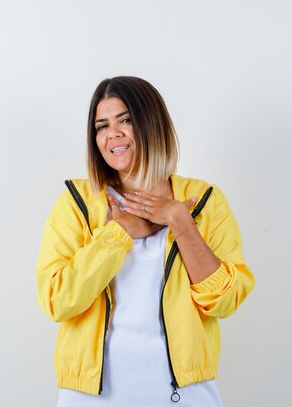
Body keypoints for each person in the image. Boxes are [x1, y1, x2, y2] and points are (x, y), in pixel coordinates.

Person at [35, 76, 255, 407]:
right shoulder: (77, 203)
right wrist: (117, 235)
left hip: (184, 394)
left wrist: (181, 223)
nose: (113, 134)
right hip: (92, 397)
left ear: (152, 124)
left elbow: (224, 301)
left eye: (125, 120)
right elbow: (57, 300)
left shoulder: (204, 201)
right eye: (101, 126)